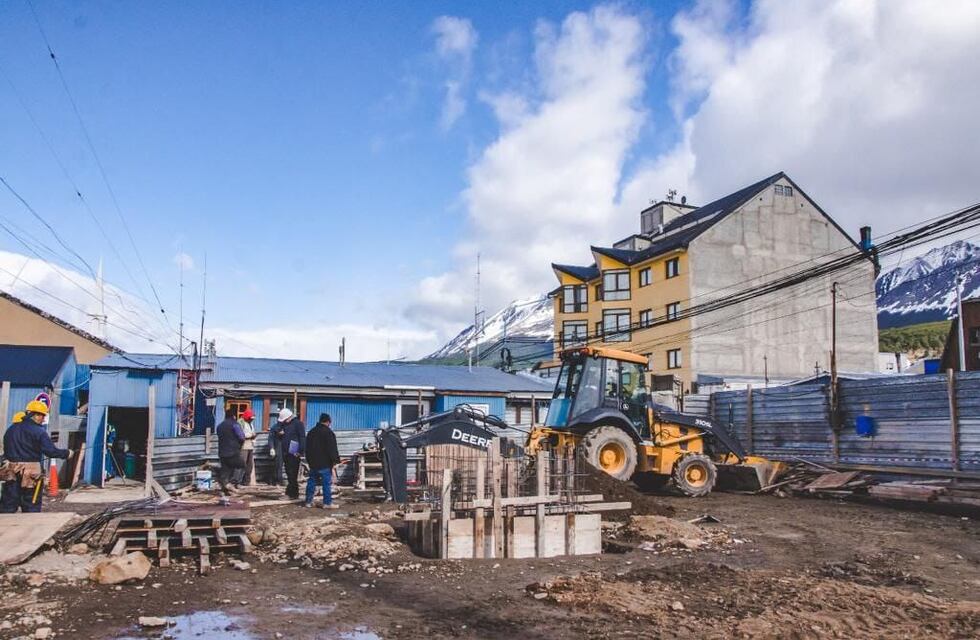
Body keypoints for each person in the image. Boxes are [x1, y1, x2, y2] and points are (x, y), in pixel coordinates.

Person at [0, 401, 71, 513]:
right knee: (31, 504)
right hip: (31, 472)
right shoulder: (39, 432)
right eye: (43, 416)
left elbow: (6, 451)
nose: (43, 419)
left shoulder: (11, 430)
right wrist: (66, 453)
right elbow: (51, 451)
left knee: (8, 503)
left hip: (11, 470)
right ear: (35, 415)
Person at [304, 413, 340, 509]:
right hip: (325, 463)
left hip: (313, 462)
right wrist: (335, 460)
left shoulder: (311, 432)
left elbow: (306, 448)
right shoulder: (328, 433)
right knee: (326, 484)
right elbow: (332, 449)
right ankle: (327, 503)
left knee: (311, 482)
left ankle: (308, 501)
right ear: (328, 422)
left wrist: (309, 460)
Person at [275, 408, 305, 500]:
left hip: (294, 451)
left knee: (292, 473)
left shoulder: (298, 424)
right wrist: (279, 433)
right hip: (286, 451)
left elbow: (302, 438)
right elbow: (277, 430)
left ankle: (291, 493)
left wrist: (300, 451)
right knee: (289, 473)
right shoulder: (284, 424)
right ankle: (294, 493)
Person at [215, 408, 245, 496]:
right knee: (241, 465)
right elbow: (242, 437)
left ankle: (225, 489)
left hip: (222, 452)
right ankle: (232, 484)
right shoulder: (235, 424)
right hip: (233, 452)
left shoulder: (219, 426)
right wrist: (240, 445)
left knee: (226, 470)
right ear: (234, 416)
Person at [236, 409, 257, 487]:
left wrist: (253, 437)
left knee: (249, 465)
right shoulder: (240, 422)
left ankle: (246, 481)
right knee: (242, 464)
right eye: (250, 418)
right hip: (243, 446)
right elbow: (241, 434)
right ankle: (237, 481)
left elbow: (253, 432)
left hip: (250, 445)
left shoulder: (250, 424)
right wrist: (250, 435)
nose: (251, 420)